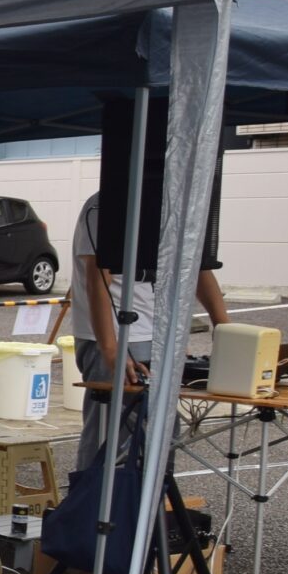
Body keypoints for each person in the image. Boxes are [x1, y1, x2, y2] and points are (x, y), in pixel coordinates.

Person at [70, 189, 229, 473]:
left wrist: (227, 332)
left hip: (156, 336)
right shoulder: (105, 205)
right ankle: (91, 507)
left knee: (162, 432)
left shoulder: (174, 202)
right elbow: (97, 280)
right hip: (115, 336)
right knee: (111, 432)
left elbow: (198, 269)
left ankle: (150, 507)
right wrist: (111, 348)